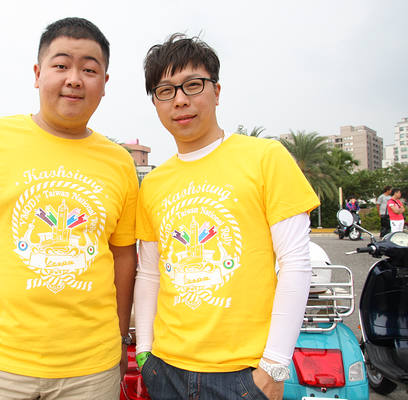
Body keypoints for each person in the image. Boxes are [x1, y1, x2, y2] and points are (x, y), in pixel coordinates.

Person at [0, 17, 138, 400]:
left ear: (104, 83)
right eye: (61, 65)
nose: (74, 79)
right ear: (38, 74)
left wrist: (121, 338)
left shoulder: (119, 163)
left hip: (91, 369)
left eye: (89, 70)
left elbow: (123, 255)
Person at [134, 34, 320, 400]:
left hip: (244, 376)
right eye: (165, 91)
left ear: (216, 91)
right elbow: (150, 272)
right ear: (155, 102)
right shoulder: (153, 183)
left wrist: (274, 366)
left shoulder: (266, 158)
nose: (180, 100)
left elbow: (296, 264)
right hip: (165, 369)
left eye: (193, 85)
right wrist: (144, 351)